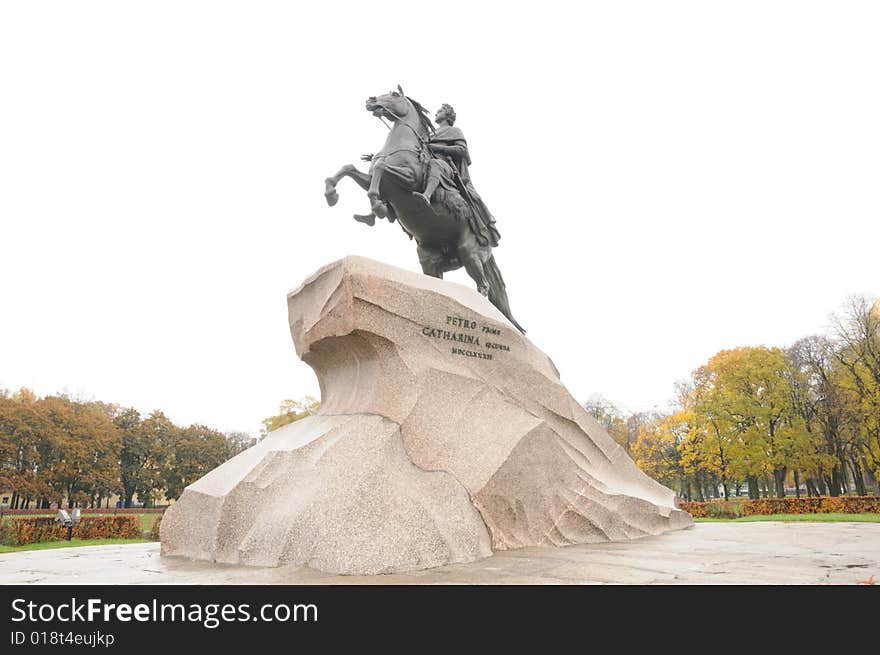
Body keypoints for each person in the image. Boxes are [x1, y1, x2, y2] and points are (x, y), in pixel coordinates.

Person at [413, 104, 500, 247]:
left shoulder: (454, 131)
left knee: (435, 164)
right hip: (425, 163)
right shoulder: (429, 133)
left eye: (440, 111)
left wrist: (437, 147)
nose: (436, 113)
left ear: (448, 115)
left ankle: (426, 195)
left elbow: (462, 150)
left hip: (445, 167)